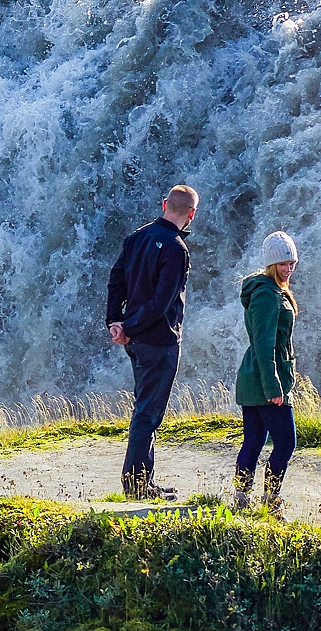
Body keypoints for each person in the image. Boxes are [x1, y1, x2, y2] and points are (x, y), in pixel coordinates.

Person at [105, 184, 198, 500]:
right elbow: (162, 302)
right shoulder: (176, 249)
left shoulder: (136, 238)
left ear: (164, 205)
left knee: (145, 409)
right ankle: (136, 486)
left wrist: (115, 322)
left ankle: (144, 480)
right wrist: (128, 327)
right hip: (159, 340)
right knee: (148, 413)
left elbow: (116, 281)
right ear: (191, 214)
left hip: (136, 341)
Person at [231, 231, 300, 515]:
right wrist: (273, 387)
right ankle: (271, 502)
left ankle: (241, 498)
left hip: (258, 378)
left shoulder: (274, 290)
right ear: (271, 264)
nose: (288, 269)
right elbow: (264, 344)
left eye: (292, 263)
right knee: (285, 443)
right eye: (282, 264)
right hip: (263, 380)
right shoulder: (266, 295)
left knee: (255, 440)